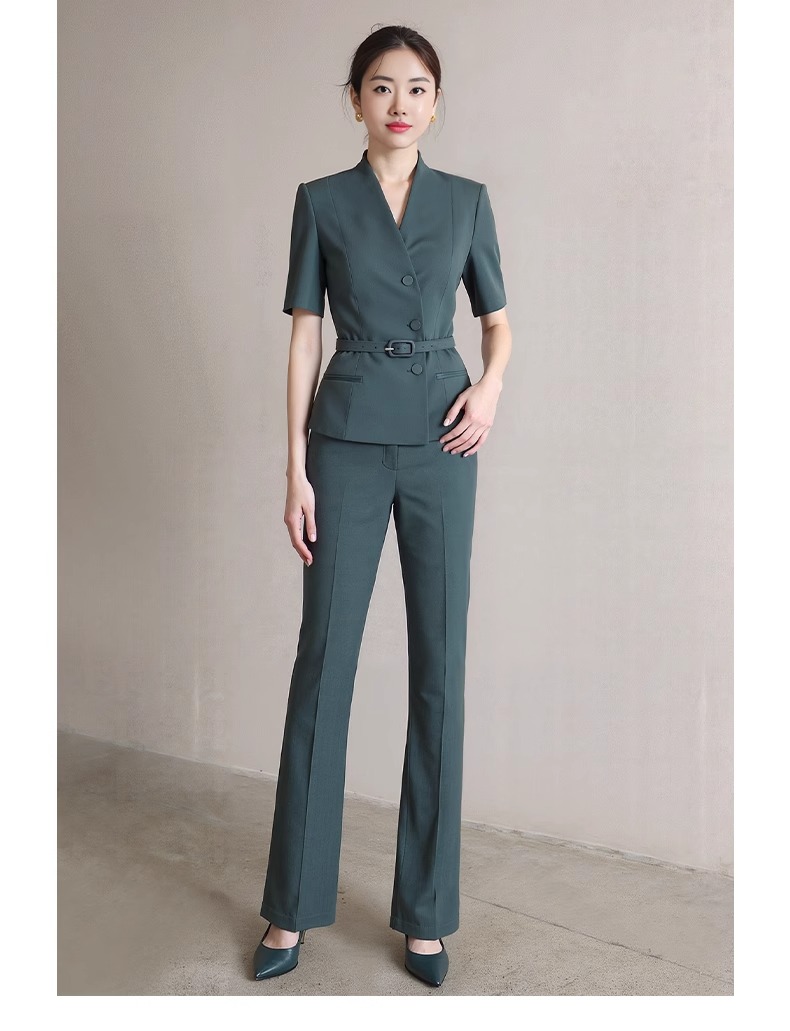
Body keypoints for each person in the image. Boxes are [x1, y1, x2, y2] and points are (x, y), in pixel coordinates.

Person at [253, 24, 512, 989]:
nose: (399, 103)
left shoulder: (467, 200)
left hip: (444, 442)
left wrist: (489, 388)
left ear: (436, 102)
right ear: (355, 99)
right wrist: (294, 468)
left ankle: (428, 914)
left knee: (440, 667)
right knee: (324, 663)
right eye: (381, 86)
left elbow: (497, 321)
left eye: (416, 88)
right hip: (348, 441)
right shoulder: (321, 201)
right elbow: (304, 336)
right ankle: (290, 904)